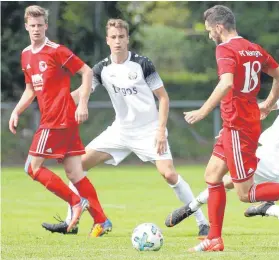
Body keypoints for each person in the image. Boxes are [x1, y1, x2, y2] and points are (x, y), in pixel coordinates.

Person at [41, 18, 210, 237]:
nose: (118, 41)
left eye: (121, 37)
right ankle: (70, 223)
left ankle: (202, 221)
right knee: (77, 167)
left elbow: (164, 99)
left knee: (168, 174)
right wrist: (56, 103)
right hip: (120, 131)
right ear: (107, 40)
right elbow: (83, 92)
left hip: (149, 130)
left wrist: (160, 130)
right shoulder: (102, 68)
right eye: (113, 37)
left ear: (127, 39)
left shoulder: (142, 64)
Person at [181, 5, 279, 252]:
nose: (209, 36)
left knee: (245, 194)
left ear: (219, 27)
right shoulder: (253, 49)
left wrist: (203, 111)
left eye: (209, 31)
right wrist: (267, 105)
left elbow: (226, 83)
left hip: (239, 127)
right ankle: (214, 238)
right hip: (236, 125)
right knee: (212, 177)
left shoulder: (224, 49)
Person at [166, 67, 279, 233]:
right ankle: (192, 207)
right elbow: (265, 105)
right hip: (267, 156)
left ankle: (268, 208)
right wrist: (234, 125)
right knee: (228, 182)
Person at [9, 5, 109, 235]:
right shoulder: (26, 54)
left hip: (58, 118)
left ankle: (75, 202)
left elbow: (86, 72)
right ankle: (101, 220)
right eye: (32, 26)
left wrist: (82, 102)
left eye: (40, 25)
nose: (36, 29)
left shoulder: (56, 51)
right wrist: (17, 111)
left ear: (46, 26)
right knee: (75, 173)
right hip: (59, 120)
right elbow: (30, 89)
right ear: (26, 27)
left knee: (32, 168)